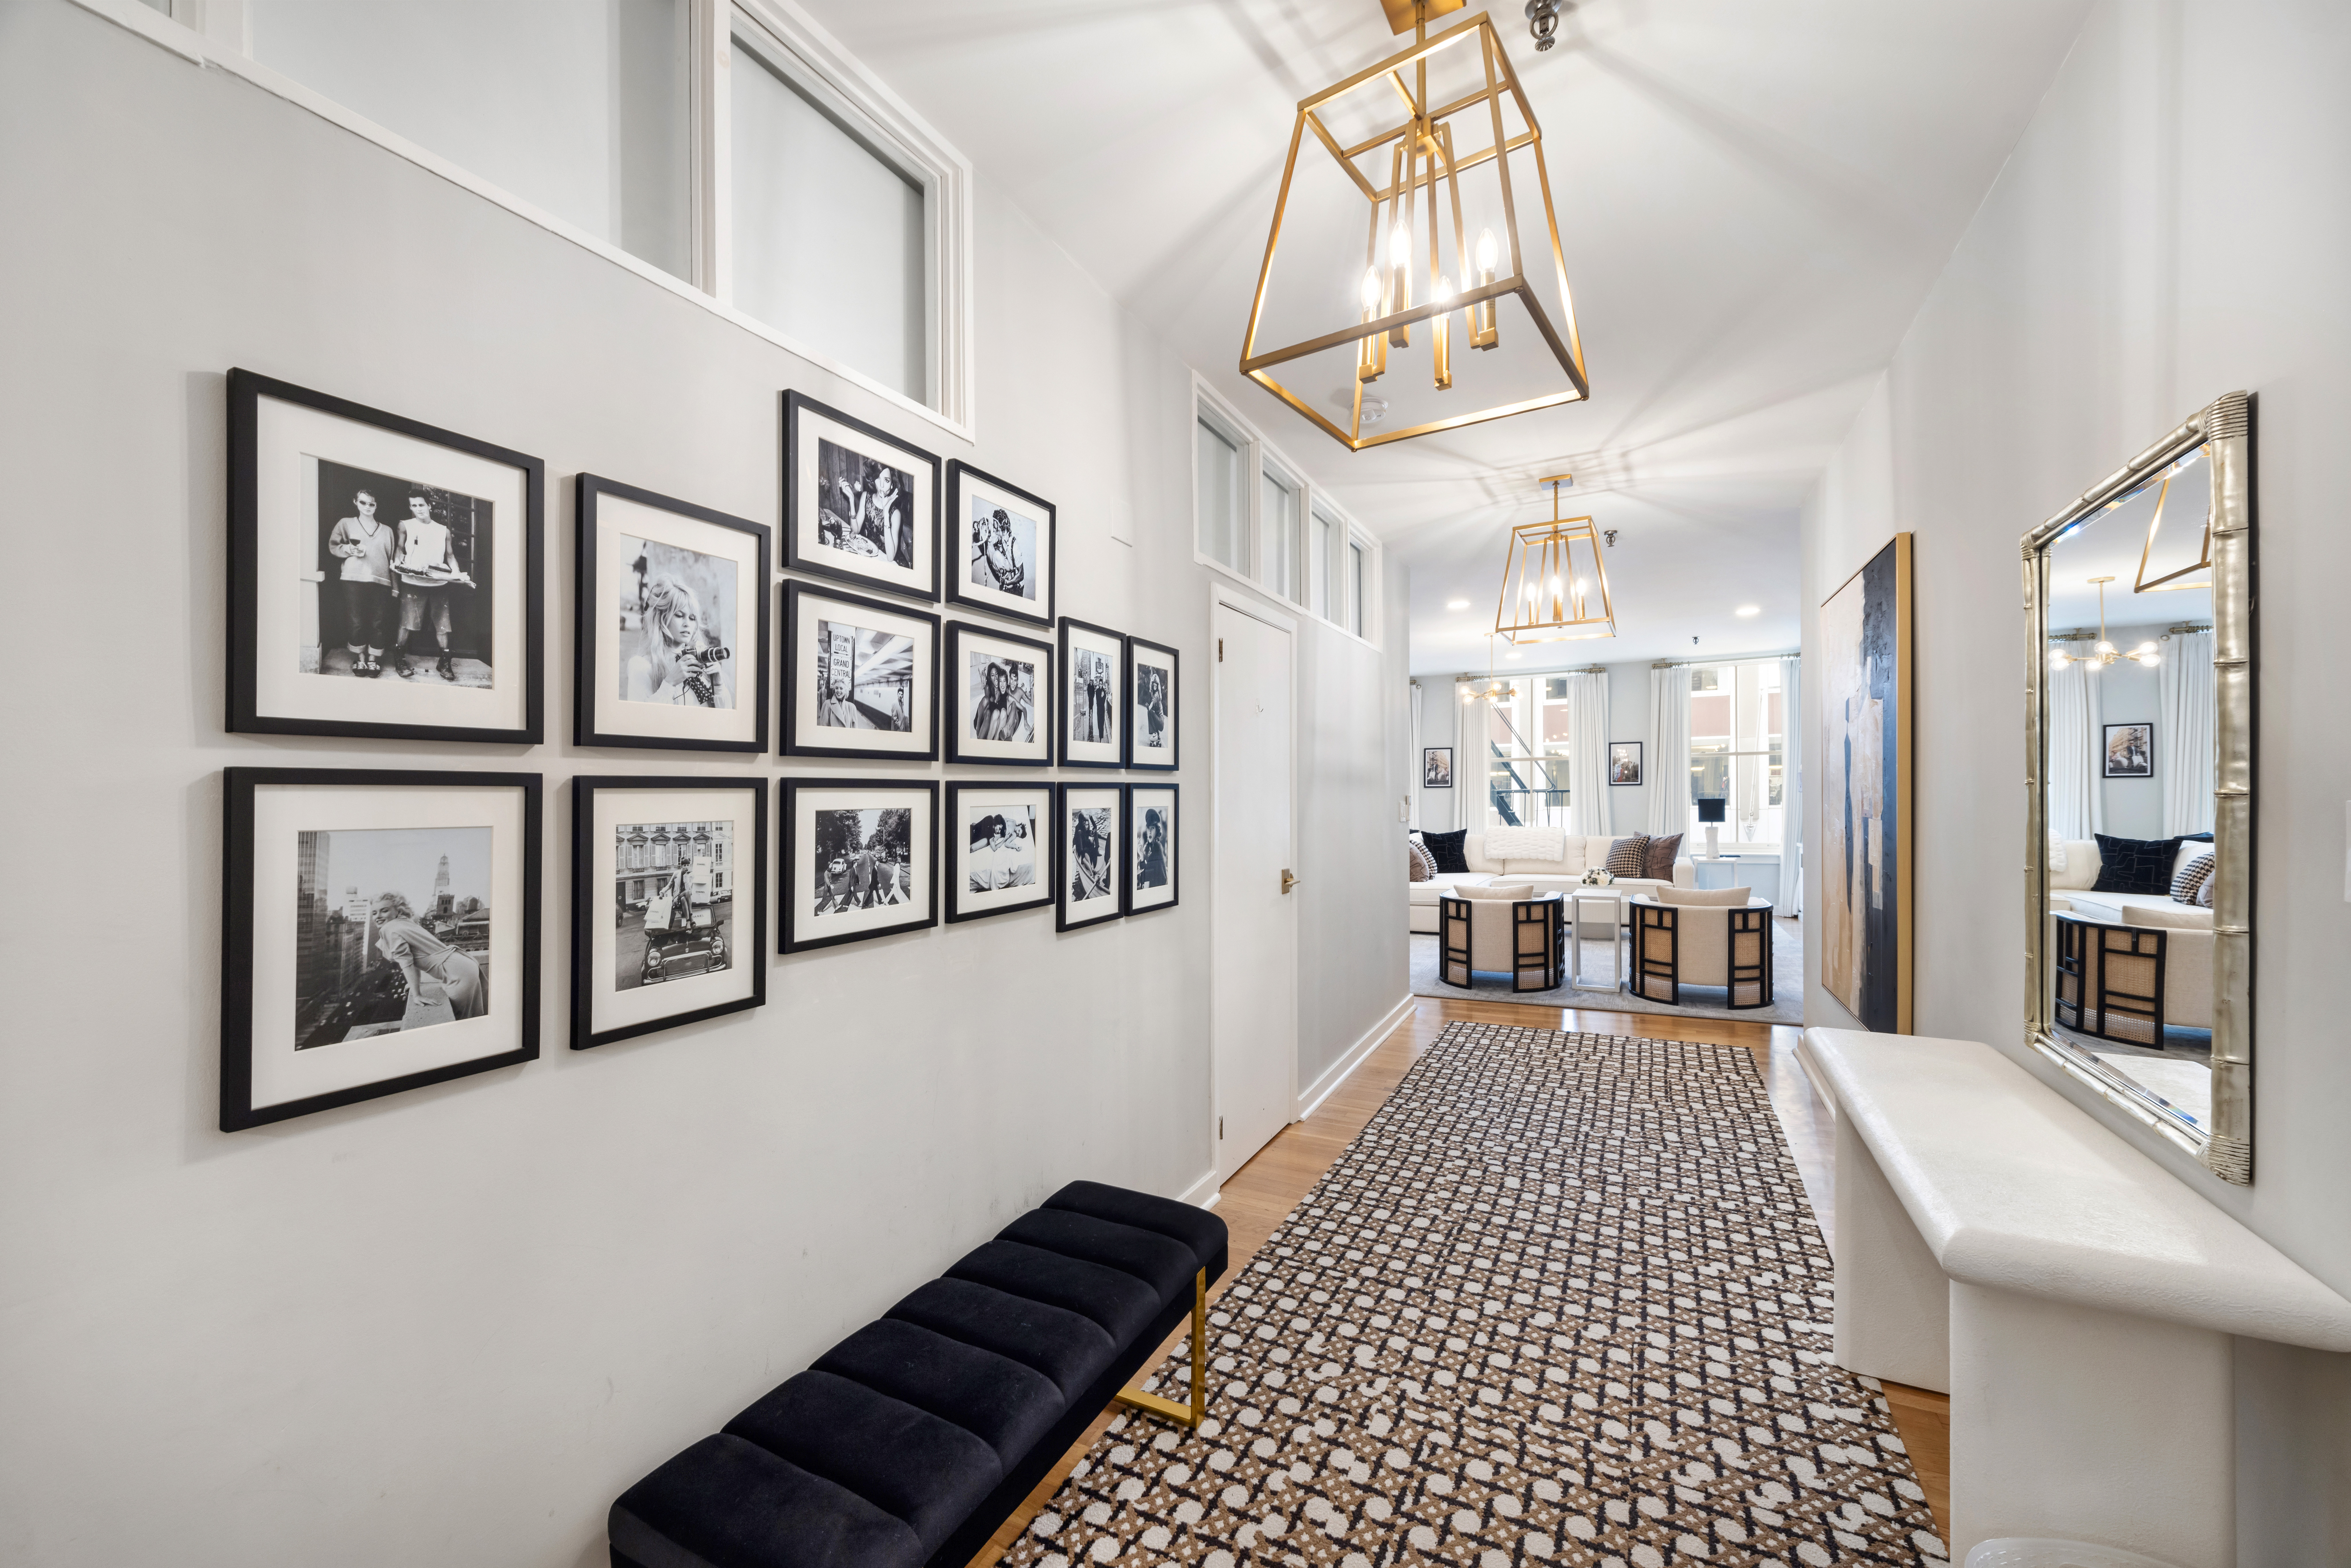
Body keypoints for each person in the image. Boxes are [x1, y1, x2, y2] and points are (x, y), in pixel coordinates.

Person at [371, 890, 484, 1030]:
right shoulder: (405, 923)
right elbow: (414, 962)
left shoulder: (389, 929)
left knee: (461, 1026)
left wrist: (417, 995)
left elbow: (408, 964)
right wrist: (414, 986)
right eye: (374, 913)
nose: (378, 917)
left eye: (384, 911)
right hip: (464, 966)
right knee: (471, 1021)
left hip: (457, 974)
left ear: (398, 911)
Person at [390, 491, 474, 680]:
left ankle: (444, 662)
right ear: (411, 508)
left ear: (430, 506)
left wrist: (458, 574)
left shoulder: (443, 531)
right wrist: (398, 565)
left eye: (421, 505)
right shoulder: (405, 526)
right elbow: (399, 549)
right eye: (414, 506)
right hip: (413, 582)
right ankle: (400, 658)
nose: (418, 509)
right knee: (407, 622)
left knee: (443, 625)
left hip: (438, 583)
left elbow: (451, 557)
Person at [625, 576, 730, 709]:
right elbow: (639, 720)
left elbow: (725, 720)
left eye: (693, 619)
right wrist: (670, 683)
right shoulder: (642, 666)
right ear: (662, 618)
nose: (688, 624)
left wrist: (719, 686)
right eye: (680, 616)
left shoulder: (702, 661)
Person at [326, 488, 396, 677]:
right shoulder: (346, 524)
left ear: (377, 506)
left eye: (371, 504)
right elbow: (334, 546)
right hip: (353, 578)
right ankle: (361, 659)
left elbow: (392, 562)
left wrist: (395, 586)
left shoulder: (388, 531)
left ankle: (374, 660)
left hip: (381, 581)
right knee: (356, 621)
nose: (367, 507)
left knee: (378, 622)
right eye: (363, 502)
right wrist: (349, 549)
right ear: (356, 502)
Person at [972, 661, 1031, 742]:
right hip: (986, 723)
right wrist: (996, 700)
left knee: (1004, 711)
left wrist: (1025, 721)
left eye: (1004, 682)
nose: (1002, 684)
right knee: (992, 712)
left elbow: (1021, 706)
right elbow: (988, 710)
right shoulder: (990, 689)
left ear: (1007, 684)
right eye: (1001, 681)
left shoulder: (1006, 694)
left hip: (995, 727)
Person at [973, 508, 1025, 597]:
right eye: (995, 530)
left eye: (998, 530)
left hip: (1017, 588)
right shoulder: (994, 545)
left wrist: (1008, 582)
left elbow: (1021, 574)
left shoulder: (1014, 546)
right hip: (1005, 586)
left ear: (1003, 530)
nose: (996, 533)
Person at [1138, 668, 1168, 750]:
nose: (1155, 685)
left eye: (1156, 683)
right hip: (1160, 722)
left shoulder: (1156, 695)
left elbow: (1153, 702)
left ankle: (1155, 734)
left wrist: (1149, 708)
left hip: (1161, 722)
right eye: (1154, 683)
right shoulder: (1156, 694)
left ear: (1158, 685)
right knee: (1152, 713)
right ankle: (1158, 736)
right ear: (1152, 684)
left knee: (1150, 712)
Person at [1138, 811, 1169, 889]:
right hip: (1145, 887)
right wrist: (1142, 856)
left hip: (1154, 888)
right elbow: (1142, 868)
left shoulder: (1158, 846)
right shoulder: (1146, 846)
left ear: (1157, 831)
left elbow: (1150, 868)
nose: (1150, 832)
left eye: (1153, 828)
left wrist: (1143, 857)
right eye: (1148, 828)